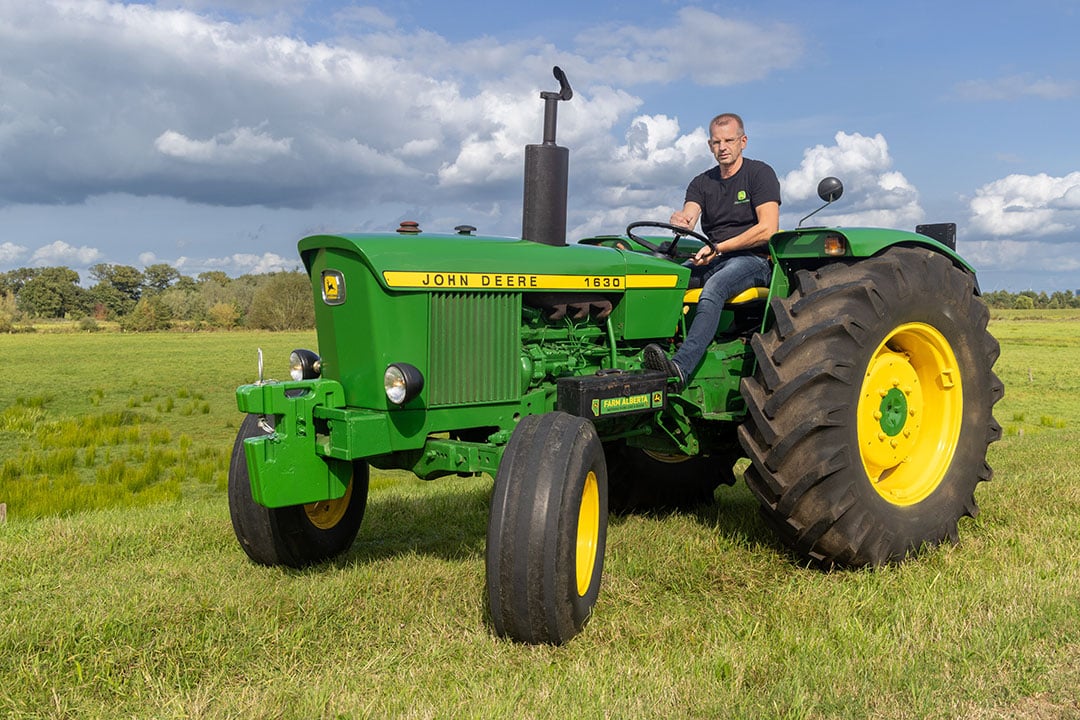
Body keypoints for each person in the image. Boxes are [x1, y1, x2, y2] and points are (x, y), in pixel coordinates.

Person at [643, 113, 781, 389]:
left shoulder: (759, 174)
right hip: (716, 256)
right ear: (709, 145)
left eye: (729, 140)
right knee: (665, 281)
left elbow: (768, 230)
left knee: (715, 287)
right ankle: (651, 355)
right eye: (717, 142)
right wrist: (681, 219)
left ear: (743, 141)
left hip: (754, 260)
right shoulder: (702, 182)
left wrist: (718, 247)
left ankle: (681, 367)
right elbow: (690, 214)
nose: (723, 147)